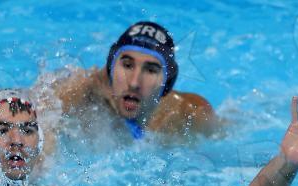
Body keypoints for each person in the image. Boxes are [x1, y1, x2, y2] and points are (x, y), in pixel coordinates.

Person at [45, 21, 218, 140]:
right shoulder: (80, 92)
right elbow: (37, 117)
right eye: (127, 65)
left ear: (167, 82)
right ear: (111, 68)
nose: (134, 83)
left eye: (151, 70)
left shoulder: (190, 114)